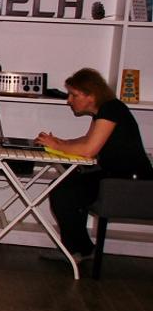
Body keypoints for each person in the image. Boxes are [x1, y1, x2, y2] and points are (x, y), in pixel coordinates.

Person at [36, 68, 153, 262]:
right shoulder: (103, 111)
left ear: (91, 95)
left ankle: (79, 250)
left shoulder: (111, 109)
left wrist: (57, 145)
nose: (69, 100)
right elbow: (87, 140)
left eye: (74, 95)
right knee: (64, 187)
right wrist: (60, 142)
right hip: (114, 176)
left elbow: (89, 150)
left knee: (65, 191)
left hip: (130, 182)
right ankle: (78, 249)